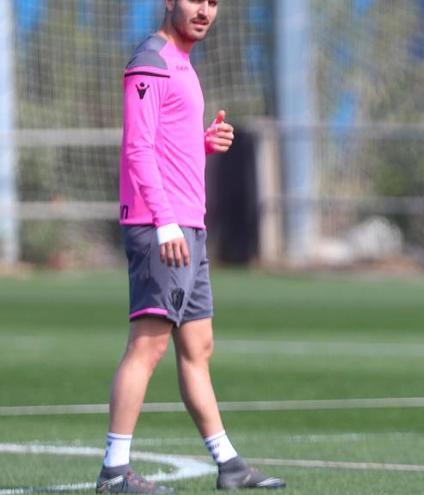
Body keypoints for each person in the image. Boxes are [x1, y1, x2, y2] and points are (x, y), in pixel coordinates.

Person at [96, 0, 286, 492]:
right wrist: (163, 224)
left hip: (187, 226)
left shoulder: (183, 62)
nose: (204, 10)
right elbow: (138, 147)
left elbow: (164, 143)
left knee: (198, 347)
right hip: (162, 227)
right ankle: (114, 471)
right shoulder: (150, 61)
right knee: (148, 344)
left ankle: (229, 466)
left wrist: (203, 143)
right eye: (194, 0)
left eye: (213, 2)